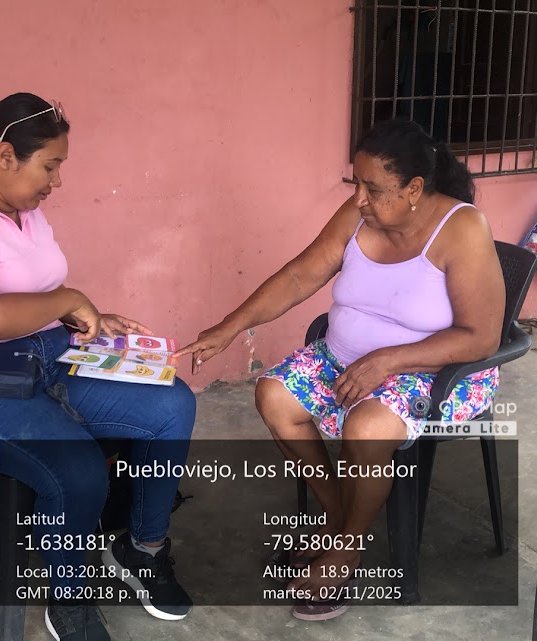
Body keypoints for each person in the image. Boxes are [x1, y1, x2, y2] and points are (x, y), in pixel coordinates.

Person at [177, 118, 505, 620]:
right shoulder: (360, 215)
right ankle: (340, 517)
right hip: (345, 359)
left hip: (433, 371)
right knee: (273, 395)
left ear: (414, 188)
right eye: (356, 183)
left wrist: (389, 359)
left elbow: (481, 337)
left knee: (367, 427)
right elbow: (299, 276)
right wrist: (230, 327)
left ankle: (346, 551)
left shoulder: (461, 228)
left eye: (372, 188)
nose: (359, 199)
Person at [0, 93, 194, 641]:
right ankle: (69, 600)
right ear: (6, 156)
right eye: (50, 166)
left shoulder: (24, 210)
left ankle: (142, 547)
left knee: (171, 406)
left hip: (42, 356)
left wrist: (83, 317)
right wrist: (70, 300)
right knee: (78, 466)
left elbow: (31, 290)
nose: (57, 181)